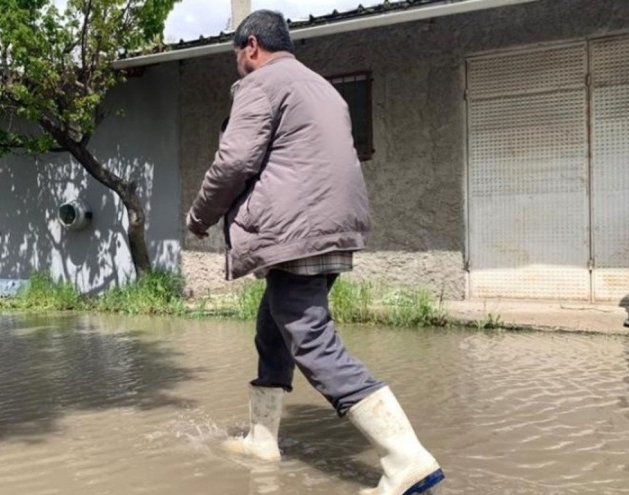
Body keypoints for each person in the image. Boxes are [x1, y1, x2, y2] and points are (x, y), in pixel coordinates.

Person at [186, 10, 444, 495]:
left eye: (238, 56)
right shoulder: (323, 87)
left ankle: (406, 458)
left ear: (252, 46)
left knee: (310, 336)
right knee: (274, 325)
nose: (238, 66)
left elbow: (234, 161)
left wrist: (198, 217)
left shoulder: (260, 84)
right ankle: (263, 440)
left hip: (296, 229)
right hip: (334, 227)